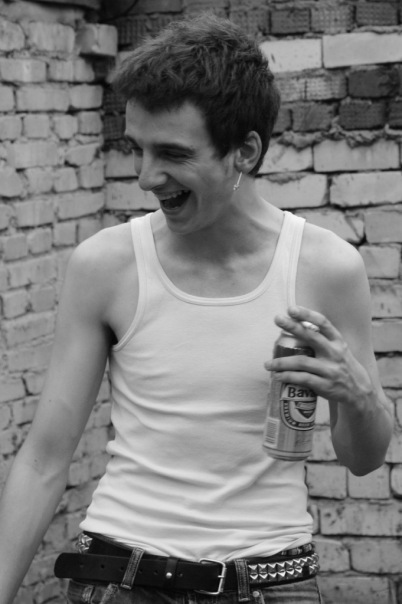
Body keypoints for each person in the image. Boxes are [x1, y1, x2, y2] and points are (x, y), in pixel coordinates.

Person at [0, 14, 393, 604]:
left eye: (173, 153)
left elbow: (363, 460)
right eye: (137, 149)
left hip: (271, 580)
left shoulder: (326, 268)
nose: (145, 177)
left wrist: (359, 396)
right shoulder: (106, 265)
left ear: (244, 152)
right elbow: (44, 459)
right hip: (119, 576)